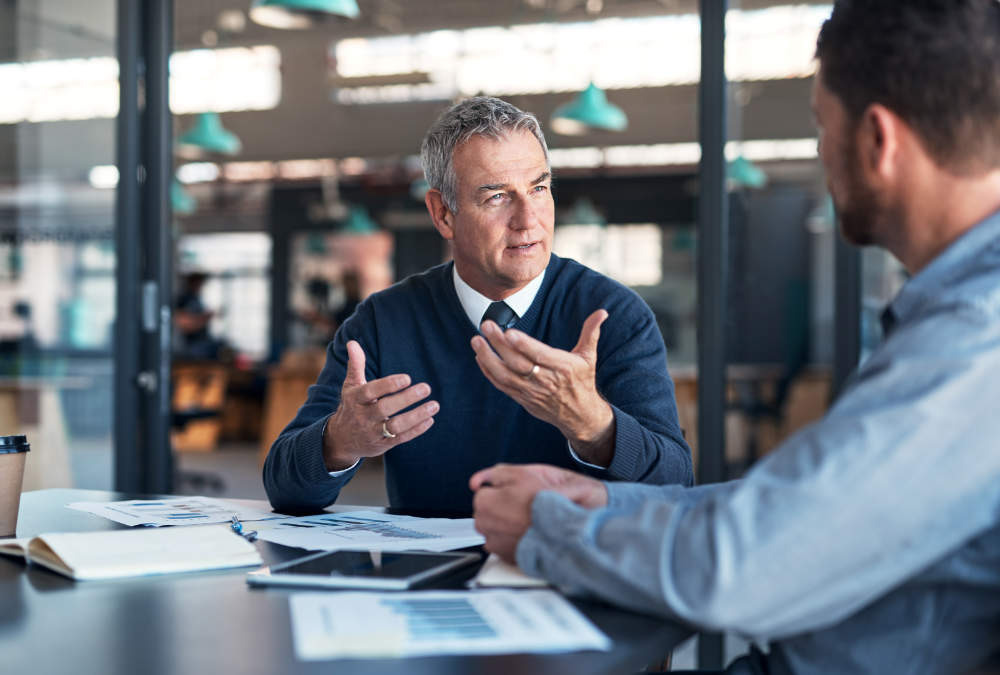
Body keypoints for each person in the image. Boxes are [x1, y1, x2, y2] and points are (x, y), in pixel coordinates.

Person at [470, 1, 1000, 673]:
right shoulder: (957, 316)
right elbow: (805, 509)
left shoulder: (977, 336)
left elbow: (746, 563)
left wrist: (550, 529)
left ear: (877, 141)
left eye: (821, 127)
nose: (820, 155)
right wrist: (606, 498)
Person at [263, 97, 692, 514]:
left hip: (564, 570)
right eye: (498, 197)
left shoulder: (613, 316)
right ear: (443, 214)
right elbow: (284, 489)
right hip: (425, 578)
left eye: (539, 188)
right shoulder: (381, 322)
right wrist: (338, 441)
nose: (528, 220)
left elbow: (676, 485)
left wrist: (595, 426)